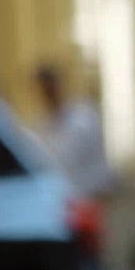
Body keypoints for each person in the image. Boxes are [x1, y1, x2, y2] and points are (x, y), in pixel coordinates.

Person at [33, 63, 115, 204]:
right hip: (63, 202)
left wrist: (103, 191)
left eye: (49, 87)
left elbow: (98, 159)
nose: (46, 94)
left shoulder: (83, 118)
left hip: (89, 197)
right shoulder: (42, 126)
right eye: (42, 89)